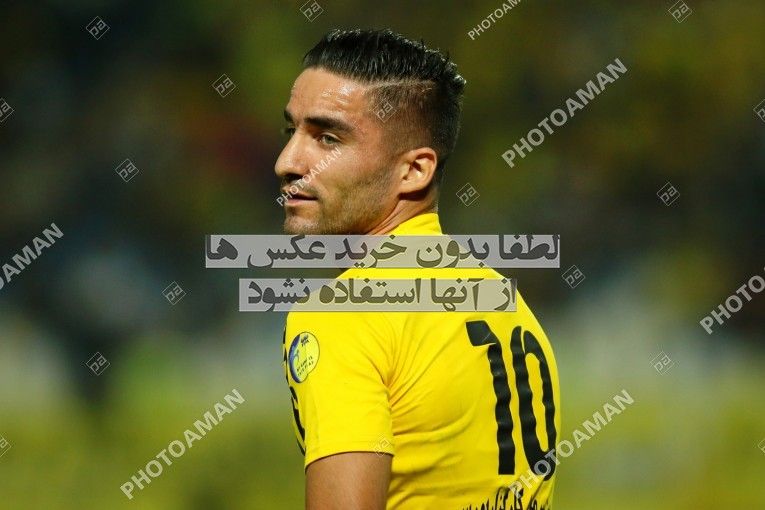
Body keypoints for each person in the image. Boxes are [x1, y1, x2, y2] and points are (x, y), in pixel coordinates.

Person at [275, 28, 560, 510]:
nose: (287, 162)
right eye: (291, 132)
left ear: (414, 171)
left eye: (328, 138)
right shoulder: (504, 302)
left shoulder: (344, 316)